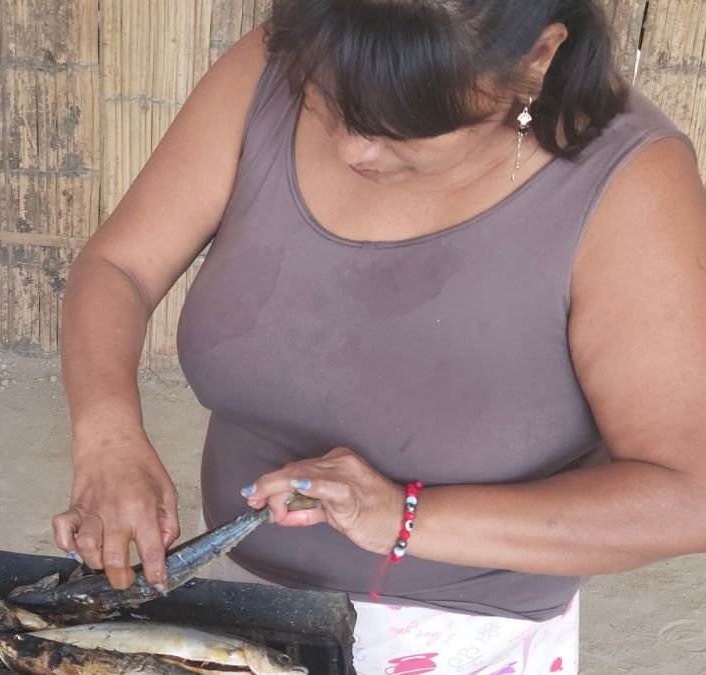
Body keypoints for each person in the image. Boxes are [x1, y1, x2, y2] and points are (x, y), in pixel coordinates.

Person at [50, 0, 706, 672]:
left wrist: (406, 518)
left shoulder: (631, 183)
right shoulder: (282, 59)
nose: (352, 148)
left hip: (457, 636)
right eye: (328, 101)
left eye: (403, 127)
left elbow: (686, 494)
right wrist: (107, 439)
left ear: (535, 61)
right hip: (230, 593)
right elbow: (119, 266)